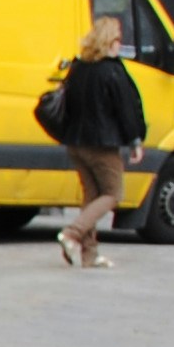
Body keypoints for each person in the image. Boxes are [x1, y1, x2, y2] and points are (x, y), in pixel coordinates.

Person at [48, 16, 143, 269]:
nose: (120, 44)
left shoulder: (78, 68)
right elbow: (127, 108)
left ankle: (90, 255)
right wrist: (135, 140)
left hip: (76, 142)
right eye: (118, 39)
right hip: (102, 144)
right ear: (110, 41)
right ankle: (72, 233)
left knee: (91, 197)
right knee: (113, 194)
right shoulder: (112, 69)